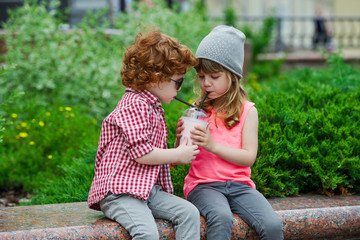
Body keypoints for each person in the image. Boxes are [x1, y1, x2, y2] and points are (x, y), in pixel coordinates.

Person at [88, 28, 201, 240]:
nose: (179, 89)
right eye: (178, 82)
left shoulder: (152, 106)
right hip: (120, 192)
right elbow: (142, 154)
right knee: (147, 233)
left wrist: (178, 146)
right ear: (156, 78)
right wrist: (178, 154)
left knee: (189, 213)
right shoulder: (134, 104)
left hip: (146, 190)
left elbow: (155, 156)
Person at [175, 25, 284, 240]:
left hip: (240, 186)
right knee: (221, 217)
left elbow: (248, 158)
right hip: (203, 185)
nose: (206, 83)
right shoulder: (197, 112)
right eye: (201, 76)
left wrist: (212, 145)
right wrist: (181, 140)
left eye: (214, 76)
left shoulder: (248, 112)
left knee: (272, 226)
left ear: (233, 76)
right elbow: (180, 159)